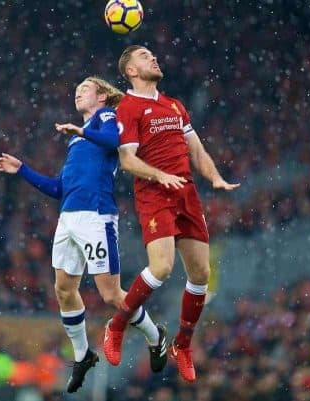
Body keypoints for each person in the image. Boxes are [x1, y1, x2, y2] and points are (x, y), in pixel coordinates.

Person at [0, 76, 167, 393]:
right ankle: (82, 354)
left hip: (95, 215)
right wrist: (22, 170)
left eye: (85, 88)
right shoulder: (76, 140)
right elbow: (59, 187)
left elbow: (117, 143)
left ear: (101, 96)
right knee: (63, 290)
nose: (78, 91)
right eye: (77, 88)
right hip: (68, 218)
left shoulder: (106, 118)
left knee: (111, 295)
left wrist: (82, 131)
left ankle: (156, 337)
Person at [102, 45, 240, 383]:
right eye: (144, 56)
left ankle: (183, 344)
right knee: (162, 267)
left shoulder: (174, 104)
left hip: (187, 194)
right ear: (130, 71)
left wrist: (215, 177)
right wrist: (158, 174)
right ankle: (117, 325)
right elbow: (127, 160)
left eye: (153, 54)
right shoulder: (129, 108)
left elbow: (196, 149)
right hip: (154, 194)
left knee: (200, 274)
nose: (154, 58)